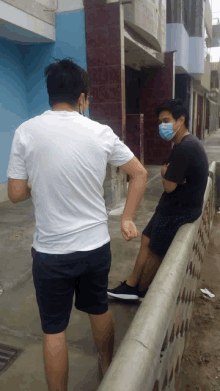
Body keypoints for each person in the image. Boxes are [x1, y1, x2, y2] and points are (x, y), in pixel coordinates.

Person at [7, 59, 148, 391]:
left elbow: (14, 193)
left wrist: (36, 182)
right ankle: (109, 369)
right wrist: (127, 218)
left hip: (51, 253)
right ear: (83, 98)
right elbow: (139, 174)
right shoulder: (100, 132)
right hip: (95, 248)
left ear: (50, 95)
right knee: (98, 308)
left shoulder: (26, 131)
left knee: (54, 330)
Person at [107, 98, 209, 302]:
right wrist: (167, 172)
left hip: (177, 212)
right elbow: (171, 175)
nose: (162, 126)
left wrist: (165, 172)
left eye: (166, 121)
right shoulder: (184, 144)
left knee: (155, 250)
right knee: (146, 239)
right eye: (160, 122)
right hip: (171, 207)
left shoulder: (185, 148)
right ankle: (131, 284)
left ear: (181, 120)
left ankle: (142, 292)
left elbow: (169, 185)